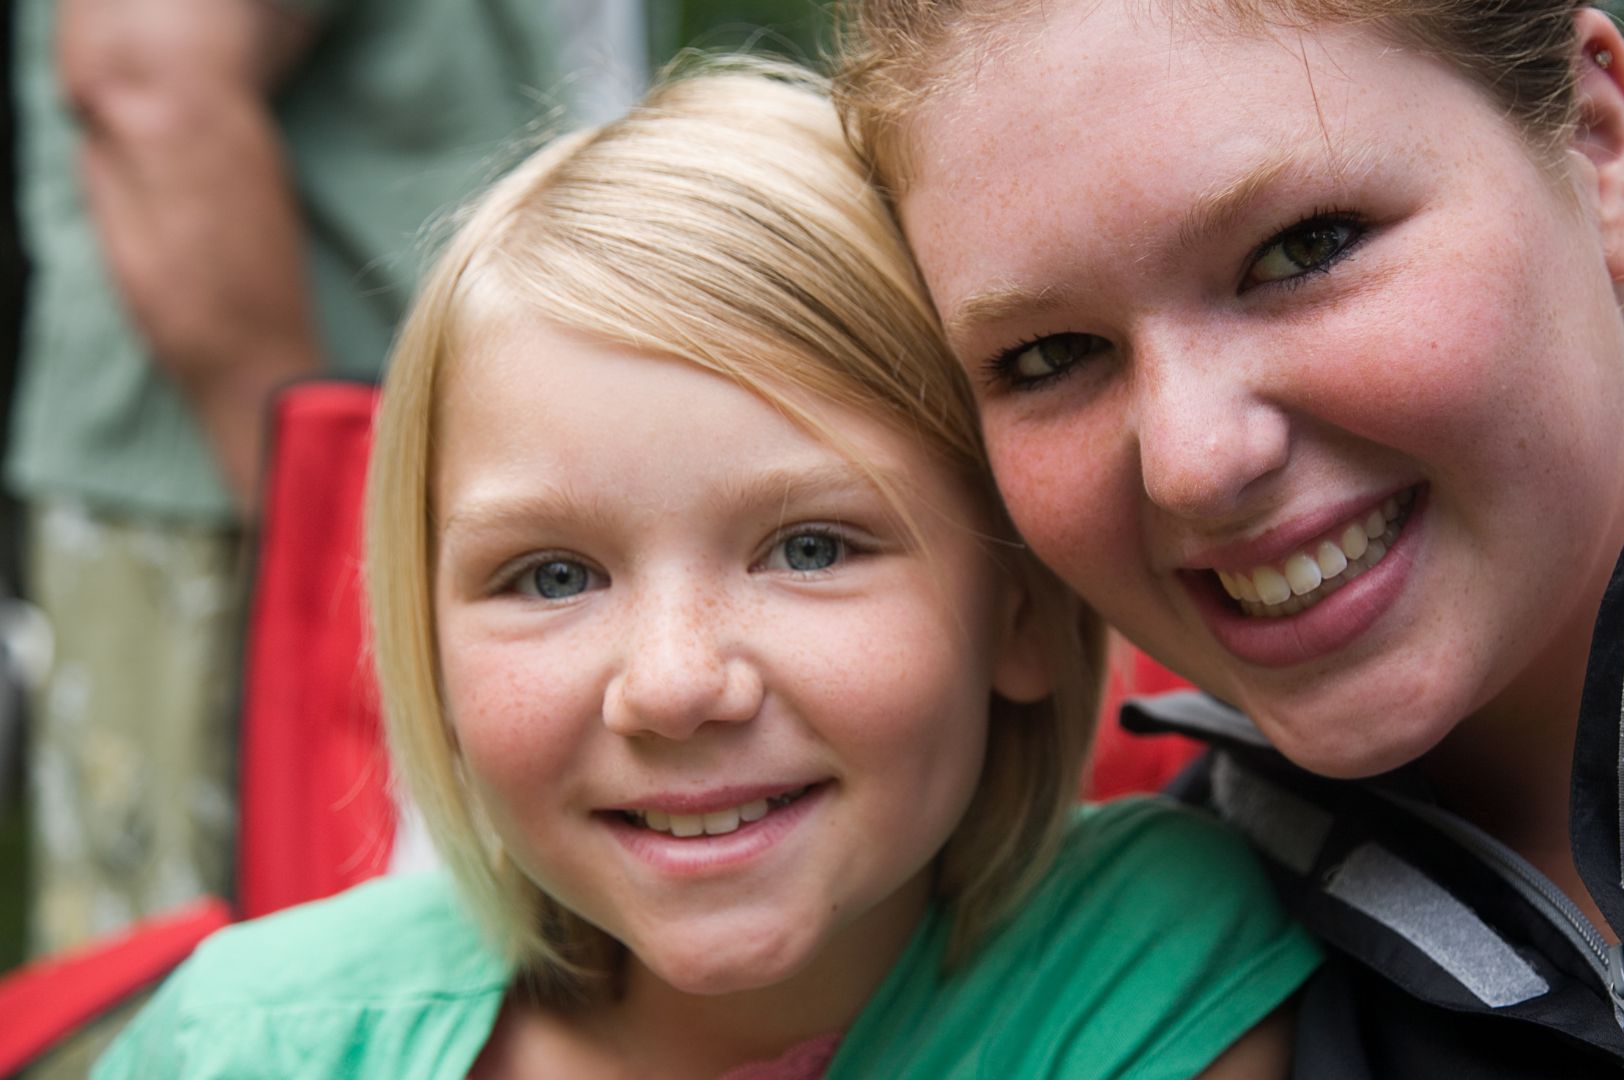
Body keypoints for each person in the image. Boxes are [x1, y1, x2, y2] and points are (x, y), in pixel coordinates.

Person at [94, 65, 1322, 1078]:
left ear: (1018, 605)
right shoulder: (246, 1043)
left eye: (809, 548)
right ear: (427, 641)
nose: (676, 687)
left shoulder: (1141, 971)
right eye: (553, 577)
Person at [832, 1, 1624, 1076]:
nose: (1193, 462)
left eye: (1305, 248)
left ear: (1601, 145)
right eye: (1049, 355)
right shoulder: (1145, 995)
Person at [12, 0, 564, 993]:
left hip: (423, 496)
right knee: (198, 1010)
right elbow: (147, 81)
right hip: (233, 519)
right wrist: (325, 528)